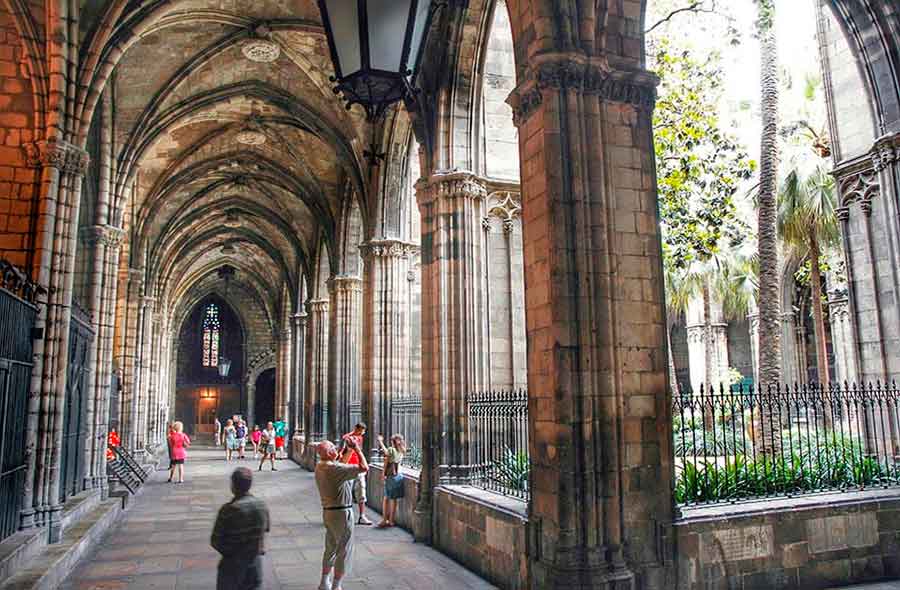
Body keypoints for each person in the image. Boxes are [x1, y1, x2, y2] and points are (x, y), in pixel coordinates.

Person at [314, 439, 369, 590]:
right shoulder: (334, 469)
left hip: (329, 513)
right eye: (332, 447)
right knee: (344, 551)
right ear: (329, 452)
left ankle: (324, 582)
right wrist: (357, 449)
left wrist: (348, 449)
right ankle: (337, 585)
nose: (335, 447)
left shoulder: (321, 466)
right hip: (342, 514)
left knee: (330, 548)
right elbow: (364, 468)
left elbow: (340, 465)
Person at [211, 467, 270, 590]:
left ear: (233, 485)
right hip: (254, 564)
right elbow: (265, 530)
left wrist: (231, 553)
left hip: (232, 565)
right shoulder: (261, 506)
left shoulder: (228, 510)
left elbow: (216, 540)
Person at [340, 423, 372, 525]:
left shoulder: (360, 438)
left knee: (361, 491)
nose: (363, 433)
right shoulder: (347, 438)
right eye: (362, 430)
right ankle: (346, 516)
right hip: (349, 467)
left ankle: (362, 516)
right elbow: (342, 452)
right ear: (357, 429)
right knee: (347, 492)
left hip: (358, 467)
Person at [375, 434, 406, 528]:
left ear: (392, 441)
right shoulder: (402, 451)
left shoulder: (391, 450)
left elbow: (386, 459)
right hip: (399, 476)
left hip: (391, 477)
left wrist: (382, 474)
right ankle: (391, 520)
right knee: (394, 499)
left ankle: (385, 520)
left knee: (386, 498)